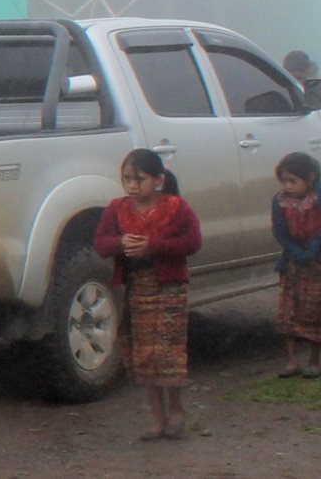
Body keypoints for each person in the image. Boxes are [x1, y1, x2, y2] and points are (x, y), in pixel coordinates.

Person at [93, 149, 202, 441]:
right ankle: (157, 418)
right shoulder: (117, 208)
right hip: (138, 286)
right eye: (126, 179)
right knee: (145, 353)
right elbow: (101, 244)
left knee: (168, 350)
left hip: (170, 287)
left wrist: (152, 246)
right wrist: (121, 242)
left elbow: (193, 241)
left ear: (158, 179)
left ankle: (176, 411)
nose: (131, 185)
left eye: (139, 179)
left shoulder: (177, 207)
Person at [272, 152, 321, 379]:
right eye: (284, 181)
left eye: (292, 181)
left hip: (320, 262)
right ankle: (292, 361)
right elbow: (279, 231)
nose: (287, 186)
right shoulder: (279, 201)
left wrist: (317, 245)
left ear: (311, 178)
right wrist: (294, 250)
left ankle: (314, 361)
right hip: (293, 263)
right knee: (289, 314)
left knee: (317, 314)